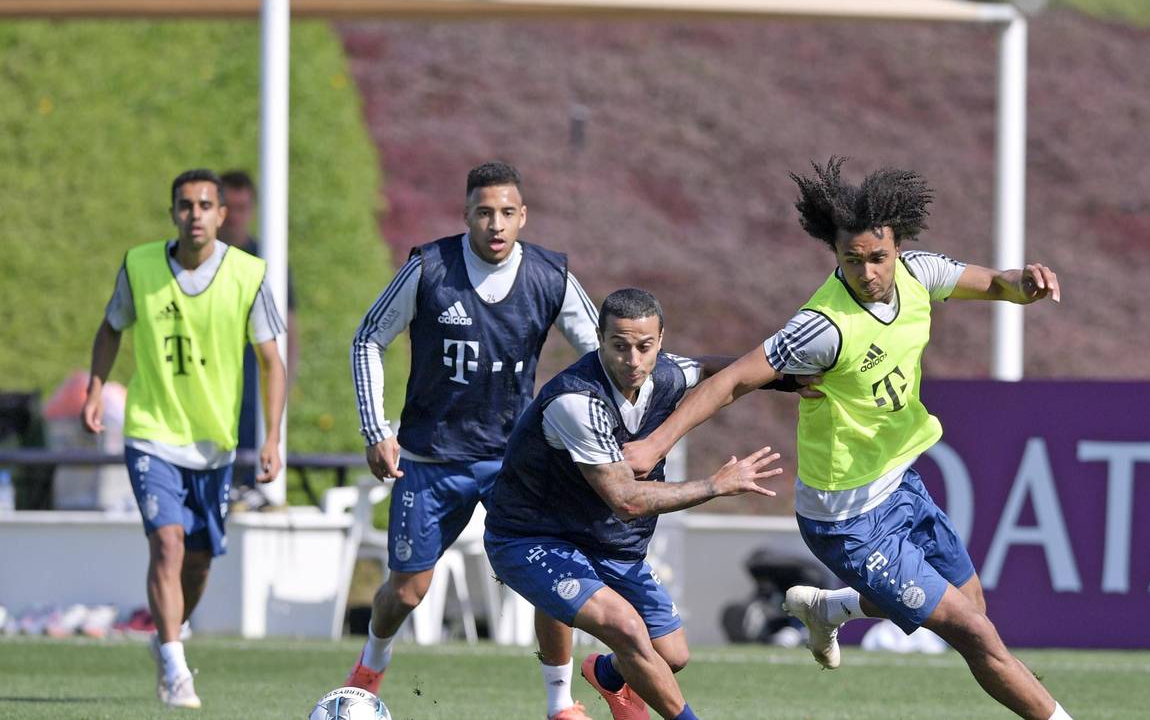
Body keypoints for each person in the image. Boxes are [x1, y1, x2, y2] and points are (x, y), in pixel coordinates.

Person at [623, 158, 1075, 720]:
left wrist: (1023, 285)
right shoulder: (823, 327)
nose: (867, 272)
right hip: (846, 519)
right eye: (852, 259)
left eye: (878, 257)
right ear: (835, 254)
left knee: (972, 605)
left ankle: (833, 608)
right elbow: (734, 379)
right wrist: (656, 444)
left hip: (899, 483)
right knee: (975, 633)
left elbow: (997, 284)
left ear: (898, 246)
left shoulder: (920, 273)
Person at [347, 161, 603, 720]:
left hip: (515, 459)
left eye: (507, 212)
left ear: (523, 216)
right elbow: (368, 339)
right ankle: (370, 666)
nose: (496, 224)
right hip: (430, 457)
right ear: (465, 214)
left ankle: (560, 703)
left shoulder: (549, 275)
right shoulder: (429, 268)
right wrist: (376, 430)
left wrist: (592, 423)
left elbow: (602, 351)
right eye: (485, 212)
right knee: (407, 590)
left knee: (552, 576)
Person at [485, 288, 783, 720]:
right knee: (625, 627)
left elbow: (716, 370)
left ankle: (607, 675)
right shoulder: (576, 401)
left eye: (644, 346)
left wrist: (789, 379)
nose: (633, 359)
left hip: (604, 539)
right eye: (620, 346)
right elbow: (625, 500)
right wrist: (714, 485)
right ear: (599, 339)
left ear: (661, 341)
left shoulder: (666, 374)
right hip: (531, 538)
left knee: (672, 655)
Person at [82, 169, 287, 709]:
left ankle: (167, 636)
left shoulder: (248, 274)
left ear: (222, 214)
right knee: (167, 543)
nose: (195, 214)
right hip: (151, 433)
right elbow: (111, 327)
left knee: (197, 563)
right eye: (185, 205)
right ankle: (175, 665)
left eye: (205, 205)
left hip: (213, 443)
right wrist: (95, 389)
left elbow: (272, 362)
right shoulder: (141, 265)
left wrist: (272, 439)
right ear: (173, 212)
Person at [217, 170, 297, 494]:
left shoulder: (268, 262)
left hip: (253, 382)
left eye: (242, 208)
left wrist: (286, 383)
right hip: (210, 381)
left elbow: (289, 329)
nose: (235, 217)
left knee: (251, 482)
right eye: (229, 208)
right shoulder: (198, 261)